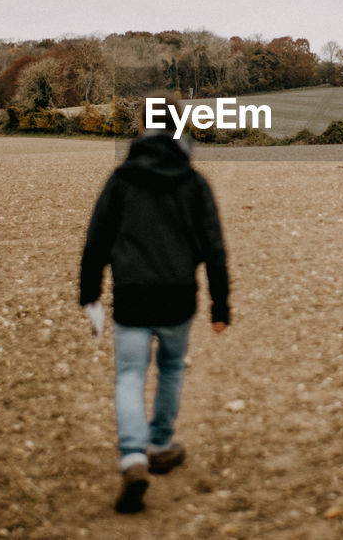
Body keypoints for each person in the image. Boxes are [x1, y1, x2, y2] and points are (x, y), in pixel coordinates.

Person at [78, 93, 231, 514]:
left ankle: (133, 457)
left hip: (131, 295)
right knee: (169, 369)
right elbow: (214, 248)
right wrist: (221, 307)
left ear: (143, 126)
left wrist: (89, 291)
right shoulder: (193, 181)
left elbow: (97, 241)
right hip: (179, 296)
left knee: (129, 373)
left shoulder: (122, 179)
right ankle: (160, 444)